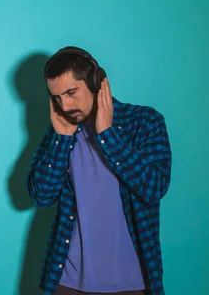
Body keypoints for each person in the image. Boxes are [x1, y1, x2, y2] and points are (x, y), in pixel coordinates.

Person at [26, 46, 172, 295]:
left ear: (96, 82)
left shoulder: (145, 122)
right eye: (57, 97)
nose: (65, 105)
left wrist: (107, 134)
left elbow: (153, 188)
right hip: (68, 282)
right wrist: (61, 140)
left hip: (132, 282)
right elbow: (42, 195)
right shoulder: (61, 132)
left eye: (71, 92)